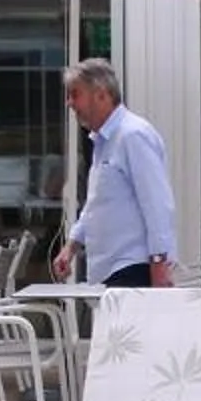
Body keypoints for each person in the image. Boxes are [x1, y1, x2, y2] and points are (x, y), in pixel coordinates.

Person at [53, 57, 178, 289]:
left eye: (75, 94)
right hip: (110, 270)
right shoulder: (104, 141)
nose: (69, 103)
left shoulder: (133, 135)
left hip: (134, 268)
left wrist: (159, 262)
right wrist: (72, 245)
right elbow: (97, 204)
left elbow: (157, 203)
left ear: (101, 94)